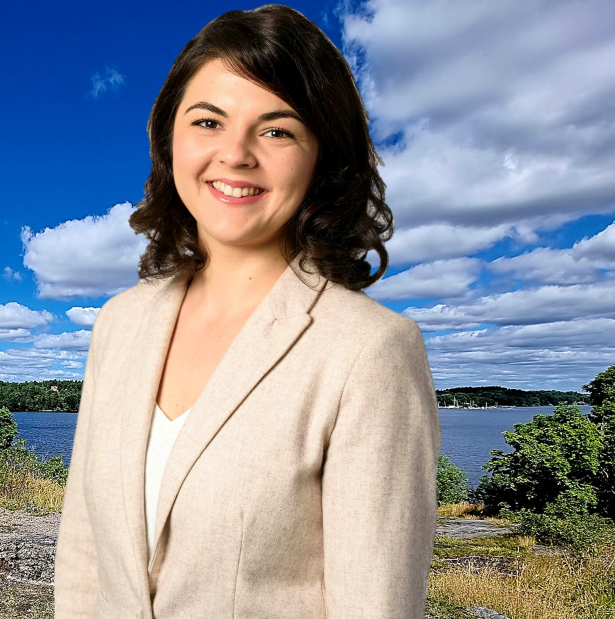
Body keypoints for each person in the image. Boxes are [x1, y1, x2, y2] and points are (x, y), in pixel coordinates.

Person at [53, 5, 441, 619]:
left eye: (277, 131)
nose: (235, 154)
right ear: (169, 138)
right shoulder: (118, 324)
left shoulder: (370, 350)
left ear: (323, 159)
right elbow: (84, 555)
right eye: (208, 121)